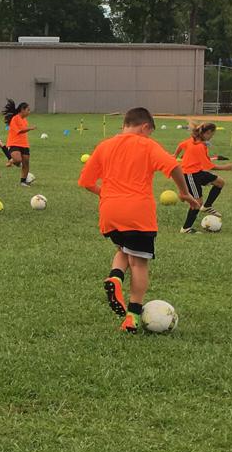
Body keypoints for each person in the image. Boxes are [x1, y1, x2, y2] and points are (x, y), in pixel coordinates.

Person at [78, 107, 201, 333]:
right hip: (138, 213)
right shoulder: (147, 145)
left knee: (123, 249)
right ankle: (132, 317)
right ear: (145, 127)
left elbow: (85, 181)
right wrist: (184, 193)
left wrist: (107, 194)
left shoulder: (104, 146)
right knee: (139, 263)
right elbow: (174, 166)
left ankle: (115, 277)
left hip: (110, 212)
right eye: (150, 132)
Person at [179, 122, 232, 234]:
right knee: (197, 203)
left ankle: (207, 206)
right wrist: (225, 167)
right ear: (207, 133)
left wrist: (175, 155)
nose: (211, 137)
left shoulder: (194, 140)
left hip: (198, 171)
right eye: (212, 135)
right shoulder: (199, 146)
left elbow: (181, 145)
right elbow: (209, 165)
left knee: (220, 182)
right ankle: (186, 228)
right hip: (190, 175)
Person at [3, 100, 36, 186]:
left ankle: (23, 181)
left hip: (24, 144)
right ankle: (12, 160)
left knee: (26, 163)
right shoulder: (15, 119)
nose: (29, 112)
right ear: (22, 110)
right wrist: (30, 128)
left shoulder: (24, 120)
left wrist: (28, 128)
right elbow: (19, 131)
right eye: (28, 110)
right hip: (14, 143)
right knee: (18, 160)